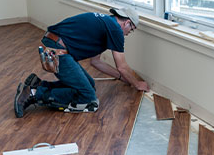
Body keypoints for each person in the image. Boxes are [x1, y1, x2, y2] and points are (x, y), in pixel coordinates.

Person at [14, 7, 150, 118]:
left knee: (89, 84)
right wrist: (137, 84)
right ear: (127, 23)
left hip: (55, 44)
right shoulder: (115, 30)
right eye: (130, 30)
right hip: (57, 50)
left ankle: (38, 84)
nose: (127, 34)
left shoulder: (106, 24)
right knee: (88, 98)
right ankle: (32, 93)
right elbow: (122, 66)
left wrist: (122, 78)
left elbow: (96, 62)